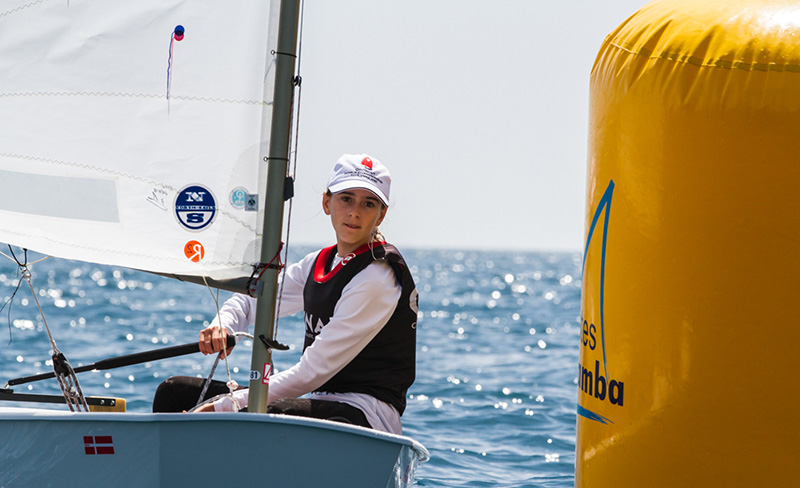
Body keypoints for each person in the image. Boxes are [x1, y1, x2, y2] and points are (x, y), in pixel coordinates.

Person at [152, 154, 418, 434]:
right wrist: (223, 324)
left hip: (365, 414)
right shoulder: (318, 263)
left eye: (369, 203)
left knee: (269, 414)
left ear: (382, 213)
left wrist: (223, 407)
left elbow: (311, 372)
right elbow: (255, 299)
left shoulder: (377, 277)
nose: (355, 212)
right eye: (346, 198)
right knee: (175, 393)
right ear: (327, 202)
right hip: (317, 404)